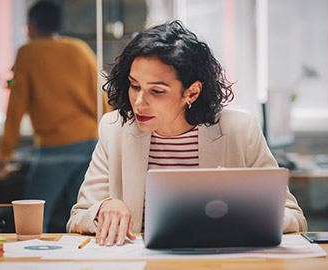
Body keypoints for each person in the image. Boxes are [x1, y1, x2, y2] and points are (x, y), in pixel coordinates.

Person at [66, 20, 307, 246]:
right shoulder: (114, 128)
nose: (139, 102)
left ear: (192, 93)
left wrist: (247, 205)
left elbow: (294, 217)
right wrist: (103, 208)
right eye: (135, 85)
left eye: (157, 91)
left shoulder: (241, 130)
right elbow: (78, 217)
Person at [0, 1, 109, 232]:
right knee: (83, 217)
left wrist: (5, 153)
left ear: (32, 25)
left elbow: (15, 108)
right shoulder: (79, 48)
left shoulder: (28, 52)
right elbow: (103, 97)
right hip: (89, 142)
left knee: (32, 221)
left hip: (53, 149)